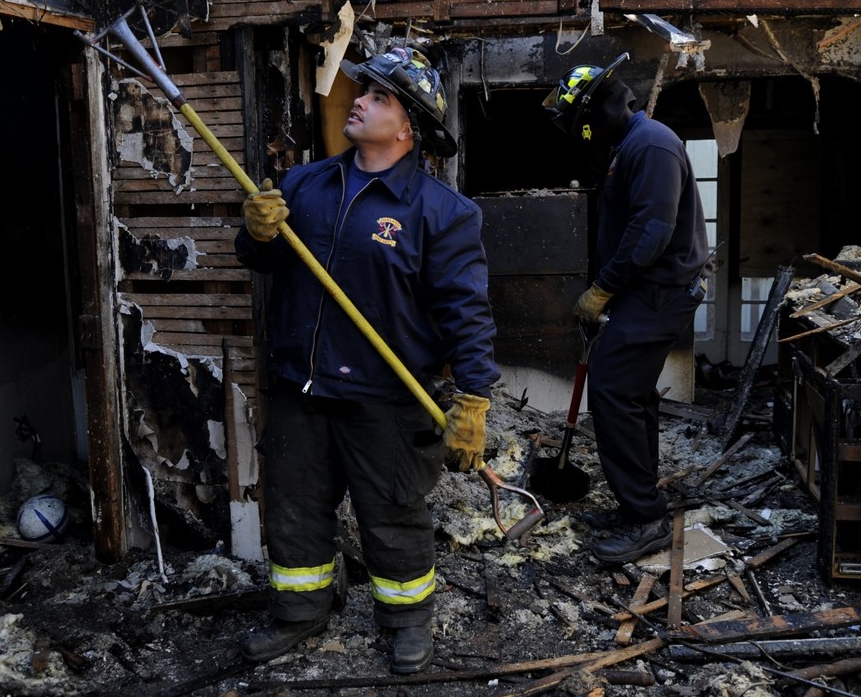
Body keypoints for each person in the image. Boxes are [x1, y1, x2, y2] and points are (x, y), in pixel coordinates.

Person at [234, 46, 500, 674]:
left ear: (408, 126)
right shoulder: (306, 184)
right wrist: (257, 233)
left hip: (387, 395)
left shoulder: (442, 213)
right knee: (296, 507)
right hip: (302, 384)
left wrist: (474, 397)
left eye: (380, 97)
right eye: (365, 91)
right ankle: (300, 613)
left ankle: (407, 620)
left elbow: (467, 311)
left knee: (394, 513)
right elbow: (262, 261)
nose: (359, 101)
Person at [542, 54, 709, 564]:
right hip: (647, 293)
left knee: (613, 391)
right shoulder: (631, 145)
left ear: (603, 111)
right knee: (632, 396)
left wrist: (601, 290)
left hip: (657, 293)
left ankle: (645, 520)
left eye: (583, 125)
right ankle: (641, 503)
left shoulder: (652, 144)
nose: (584, 135)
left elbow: (652, 231)